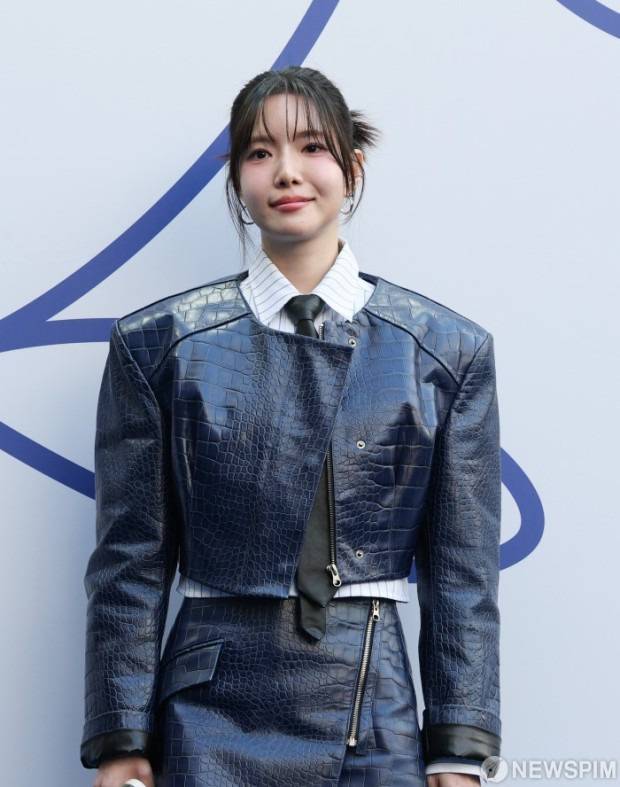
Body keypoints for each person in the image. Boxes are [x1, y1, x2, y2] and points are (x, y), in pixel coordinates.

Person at [80, 66, 502, 787]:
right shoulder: (158, 345)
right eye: (259, 151)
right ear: (237, 178)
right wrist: (122, 737)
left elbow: (463, 575)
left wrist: (459, 747)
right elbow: (130, 562)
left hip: (370, 704)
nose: (286, 171)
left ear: (352, 168)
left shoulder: (444, 351)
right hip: (209, 707)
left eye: (312, 147)